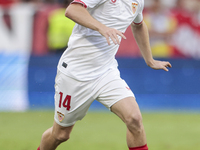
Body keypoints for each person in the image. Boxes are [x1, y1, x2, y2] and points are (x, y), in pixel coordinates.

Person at [37, 0, 172, 150]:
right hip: (76, 73)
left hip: (106, 72)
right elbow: (72, 10)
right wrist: (102, 28)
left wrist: (149, 60)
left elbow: (138, 25)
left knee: (134, 119)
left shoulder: (138, 1)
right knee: (60, 135)